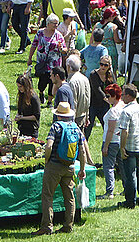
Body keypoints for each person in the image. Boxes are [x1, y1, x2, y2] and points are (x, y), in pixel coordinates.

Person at [32, 102, 87, 235]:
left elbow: (49, 146)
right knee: (69, 197)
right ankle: (68, 225)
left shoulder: (56, 126)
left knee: (47, 195)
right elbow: (83, 151)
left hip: (54, 166)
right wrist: (82, 169)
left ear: (58, 115)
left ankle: (47, 226)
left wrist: (46, 160)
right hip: (69, 166)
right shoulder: (76, 128)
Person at [118, 84, 139, 208]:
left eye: (123, 94)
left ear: (129, 96)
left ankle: (130, 201)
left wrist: (122, 147)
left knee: (130, 174)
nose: (121, 97)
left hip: (130, 147)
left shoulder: (126, 112)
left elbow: (124, 131)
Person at [28, 15, 66, 105]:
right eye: (54, 23)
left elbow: (65, 50)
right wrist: (30, 58)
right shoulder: (40, 33)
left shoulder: (58, 35)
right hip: (42, 63)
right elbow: (34, 45)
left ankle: (49, 101)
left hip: (54, 64)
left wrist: (61, 49)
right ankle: (41, 93)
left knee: (52, 83)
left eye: (57, 23)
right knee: (42, 83)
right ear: (48, 24)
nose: (56, 25)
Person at [99, 83, 123, 199]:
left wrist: (105, 146)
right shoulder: (122, 106)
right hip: (120, 140)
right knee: (123, 166)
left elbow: (110, 131)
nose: (106, 98)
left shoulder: (113, 111)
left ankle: (109, 192)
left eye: (108, 96)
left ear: (114, 96)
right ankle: (126, 187)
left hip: (111, 141)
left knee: (108, 167)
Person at [87, 54, 115, 137]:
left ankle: (108, 145)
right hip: (93, 105)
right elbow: (97, 89)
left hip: (104, 106)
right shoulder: (93, 74)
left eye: (105, 65)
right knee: (88, 128)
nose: (103, 67)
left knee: (107, 127)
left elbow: (114, 87)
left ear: (109, 66)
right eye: (101, 64)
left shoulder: (110, 75)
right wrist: (107, 99)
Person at [94, 8, 121, 72]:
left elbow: (92, 39)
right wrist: (124, 40)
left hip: (99, 48)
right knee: (112, 70)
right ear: (110, 16)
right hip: (111, 50)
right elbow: (117, 40)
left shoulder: (97, 25)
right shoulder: (113, 26)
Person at [67, 55, 91, 126]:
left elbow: (73, 102)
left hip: (75, 118)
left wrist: (71, 122)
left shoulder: (72, 82)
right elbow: (88, 99)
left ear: (68, 67)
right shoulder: (85, 78)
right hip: (83, 116)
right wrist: (87, 116)